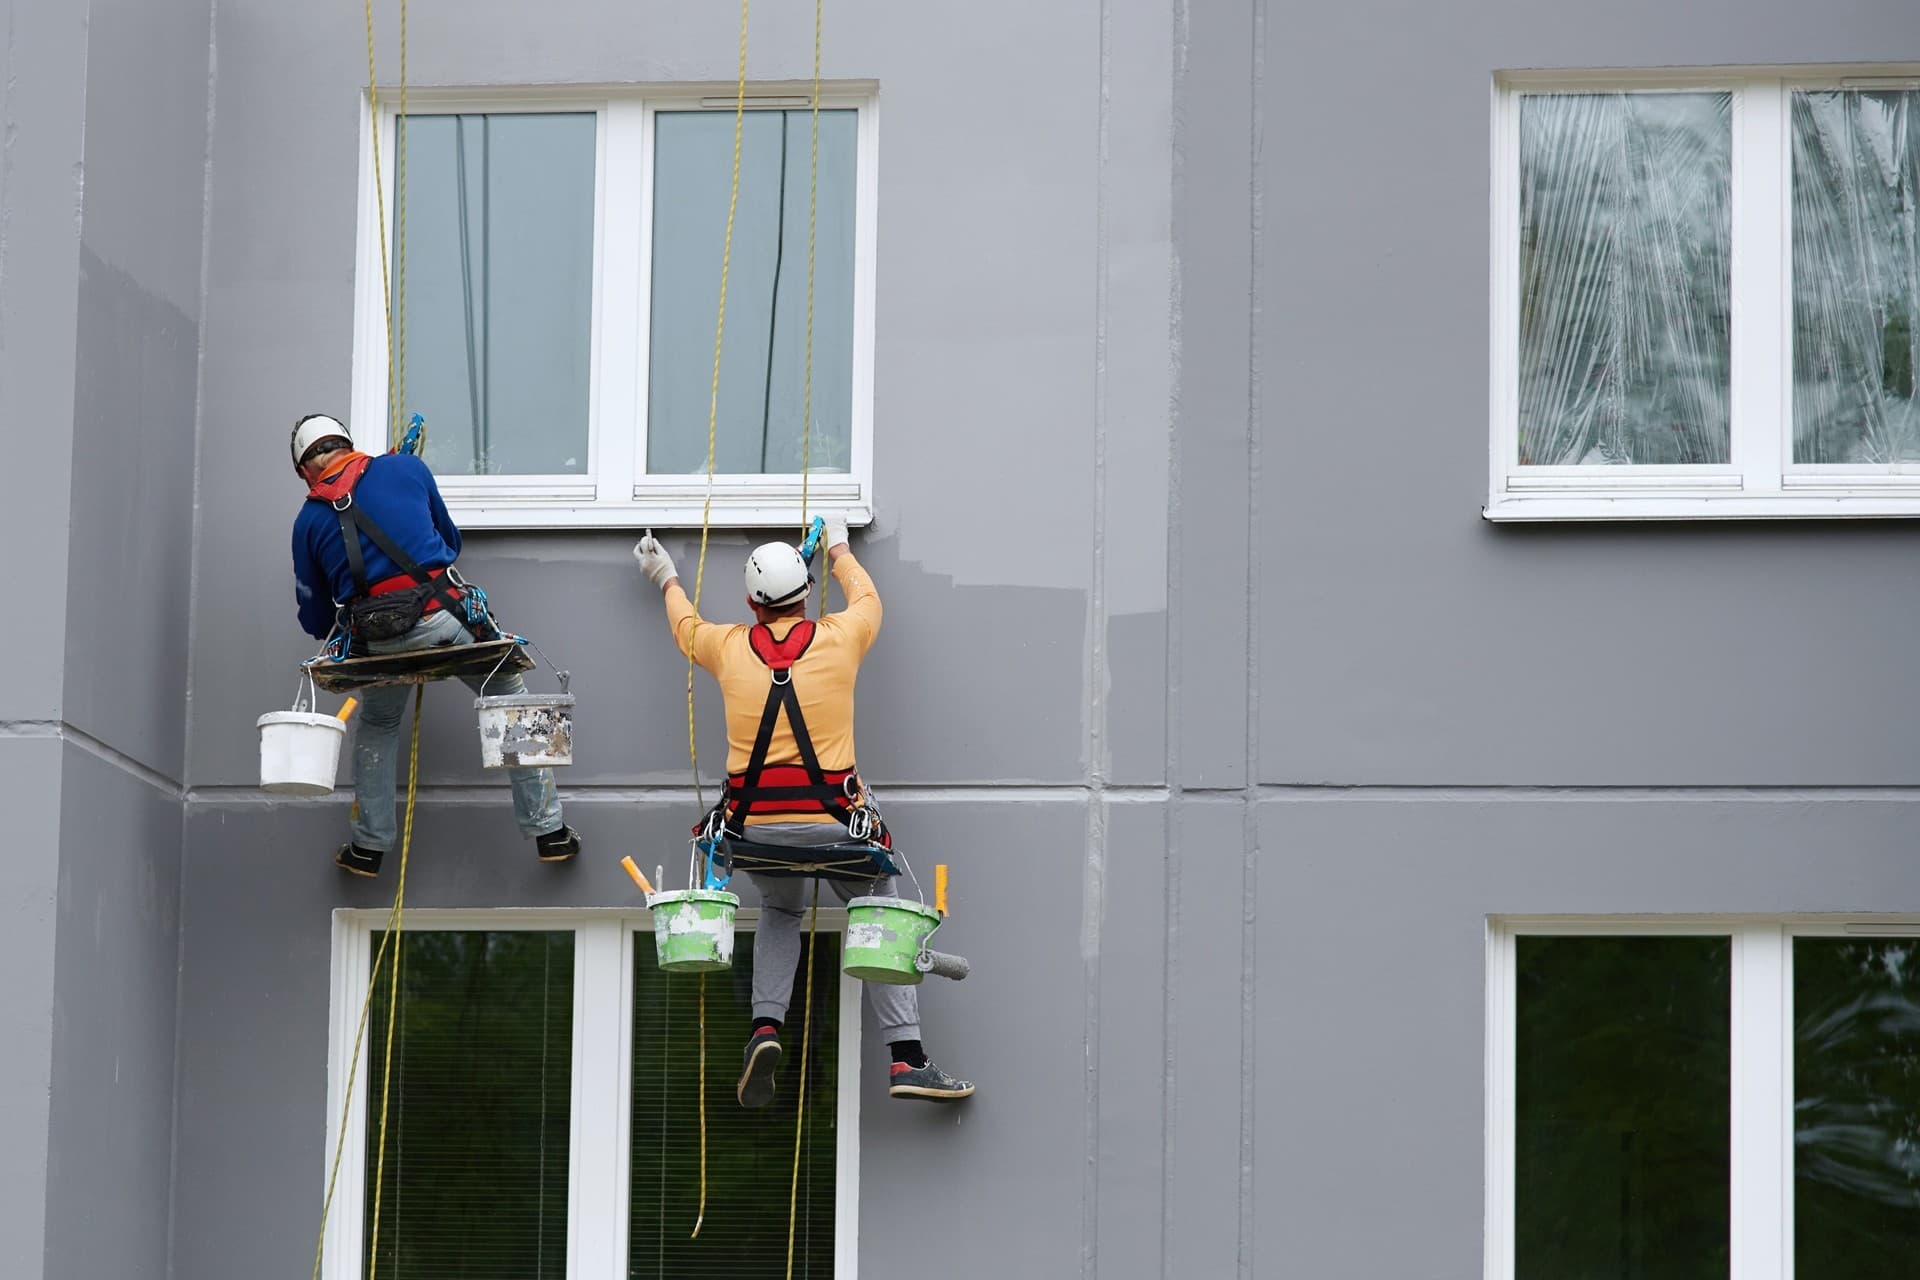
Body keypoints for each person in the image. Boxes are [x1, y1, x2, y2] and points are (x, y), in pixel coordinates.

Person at [633, 517, 974, 1105]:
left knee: (780, 912)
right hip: (837, 828)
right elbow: (867, 596)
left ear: (751, 602)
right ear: (804, 593)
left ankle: (766, 1027)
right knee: (878, 911)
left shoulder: (727, 646)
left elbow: (685, 627)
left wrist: (664, 574)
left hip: (758, 831)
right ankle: (906, 1059)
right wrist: (839, 547)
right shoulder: (843, 636)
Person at [288, 413, 581, 876]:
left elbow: (316, 618)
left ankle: (368, 848)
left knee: (380, 723)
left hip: (377, 640)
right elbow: (448, 541)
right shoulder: (405, 470)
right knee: (508, 698)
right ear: (347, 443)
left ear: (305, 468)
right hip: (444, 618)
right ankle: (550, 831)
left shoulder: (308, 520)